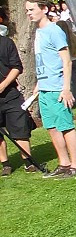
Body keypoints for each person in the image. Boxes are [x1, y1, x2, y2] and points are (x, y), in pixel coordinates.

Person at [25, 0, 76, 177]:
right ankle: (64, 163)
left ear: (44, 9)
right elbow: (44, 60)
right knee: (51, 127)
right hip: (44, 88)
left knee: (66, 126)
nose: (29, 13)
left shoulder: (54, 31)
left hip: (58, 88)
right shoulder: (38, 32)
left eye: (32, 9)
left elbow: (66, 61)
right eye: (27, 10)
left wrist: (66, 88)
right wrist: (38, 84)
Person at [0, 31, 35, 176]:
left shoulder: (6, 43)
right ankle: (5, 165)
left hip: (10, 94)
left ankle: (28, 162)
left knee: (20, 128)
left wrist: (3, 85)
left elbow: (16, 67)